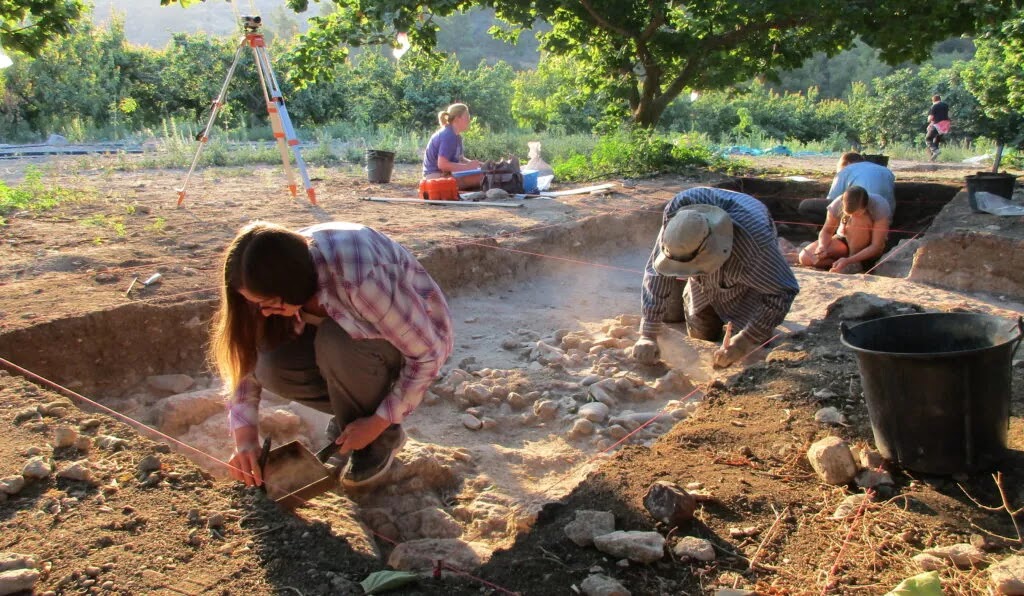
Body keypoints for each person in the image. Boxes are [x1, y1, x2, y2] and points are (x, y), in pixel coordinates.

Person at [212, 221, 454, 490]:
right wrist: (245, 440)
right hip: (353, 340)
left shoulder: (360, 279)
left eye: (269, 305)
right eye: (258, 305)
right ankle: (349, 419)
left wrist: (377, 422)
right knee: (269, 365)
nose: (265, 312)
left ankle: (381, 439)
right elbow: (245, 360)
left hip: (403, 343)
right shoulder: (263, 276)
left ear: (292, 288)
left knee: (334, 340)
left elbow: (429, 355)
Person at [632, 187, 800, 369]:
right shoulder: (679, 216)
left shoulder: (754, 246)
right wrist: (647, 335)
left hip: (747, 262)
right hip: (704, 255)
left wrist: (744, 341)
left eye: (693, 267)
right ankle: (688, 298)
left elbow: (783, 290)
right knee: (701, 332)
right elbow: (657, 271)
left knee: (757, 340)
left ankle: (742, 319)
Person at [797, 185, 891, 273]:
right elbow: (827, 231)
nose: (851, 216)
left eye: (856, 213)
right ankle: (839, 263)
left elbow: (876, 246)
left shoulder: (879, 206)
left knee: (857, 220)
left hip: (868, 245)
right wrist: (822, 247)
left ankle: (854, 262)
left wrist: (849, 260)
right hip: (844, 238)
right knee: (805, 258)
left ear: (865, 207)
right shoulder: (837, 203)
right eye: (848, 214)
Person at [797, 152, 895, 222]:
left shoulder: (847, 170)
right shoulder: (886, 171)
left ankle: (834, 231)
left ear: (847, 163)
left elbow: (832, 203)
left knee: (805, 205)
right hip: (886, 216)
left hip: (860, 214)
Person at [422, 103, 484, 190]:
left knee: (484, 174)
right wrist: (467, 167)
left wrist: (482, 165)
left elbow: (461, 159)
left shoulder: (456, 135)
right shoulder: (448, 135)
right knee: (482, 178)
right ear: (457, 118)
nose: (469, 120)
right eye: (467, 116)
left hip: (446, 174)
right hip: (435, 178)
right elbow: (442, 164)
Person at [925, 95, 951, 161]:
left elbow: (930, 118)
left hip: (938, 125)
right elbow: (949, 115)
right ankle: (932, 159)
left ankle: (935, 151)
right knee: (936, 140)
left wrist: (929, 120)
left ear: (933, 101)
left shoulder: (934, 106)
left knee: (928, 139)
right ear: (940, 99)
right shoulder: (946, 105)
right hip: (946, 125)